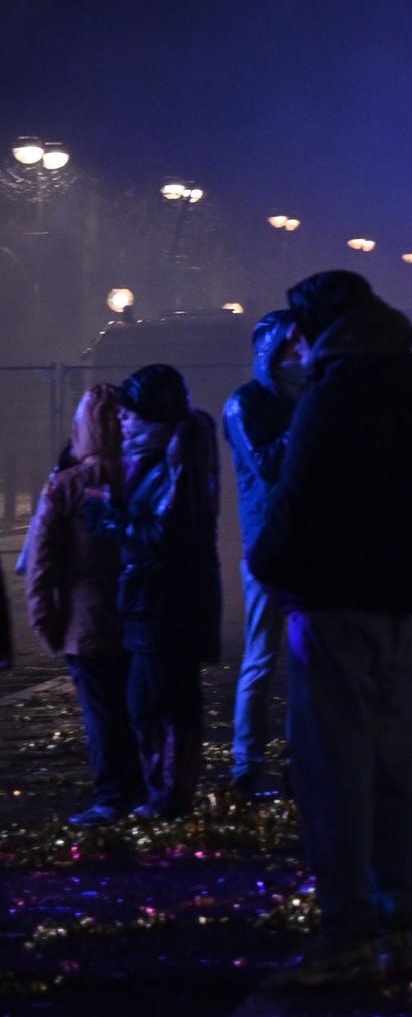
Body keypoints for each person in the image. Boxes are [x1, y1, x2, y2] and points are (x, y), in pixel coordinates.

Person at [250, 270, 412, 988]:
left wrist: (269, 566)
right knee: (391, 762)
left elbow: (296, 500)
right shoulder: (411, 380)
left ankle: (346, 928)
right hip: (394, 600)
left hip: (331, 599)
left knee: (332, 768)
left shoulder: (333, 392)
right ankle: (397, 917)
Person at [86, 364, 221, 821]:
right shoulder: (168, 455)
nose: (121, 422)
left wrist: (109, 518)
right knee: (159, 699)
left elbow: (166, 535)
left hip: (163, 602)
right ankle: (165, 794)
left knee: (155, 702)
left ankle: (167, 798)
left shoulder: (174, 460)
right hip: (158, 600)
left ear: (151, 417)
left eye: (129, 415)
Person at [26, 385, 144, 825]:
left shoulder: (66, 486)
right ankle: (144, 787)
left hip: (86, 620)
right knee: (137, 707)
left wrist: (46, 622)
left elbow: (43, 562)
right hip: (138, 614)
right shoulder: (143, 476)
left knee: (101, 713)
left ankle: (112, 794)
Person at [223, 310, 304, 797]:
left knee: (302, 659)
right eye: (291, 348)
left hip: (303, 541)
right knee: (261, 659)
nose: (301, 356)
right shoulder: (245, 404)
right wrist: (307, 424)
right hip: (267, 545)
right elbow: (268, 464)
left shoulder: (295, 397)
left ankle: (299, 758)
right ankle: (246, 764)